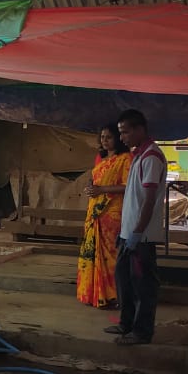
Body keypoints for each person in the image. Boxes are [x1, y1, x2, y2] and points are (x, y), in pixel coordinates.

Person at [105, 110, 166, 345]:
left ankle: (142, 332)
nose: (122, 137)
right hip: (128, 232)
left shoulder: (151, 157)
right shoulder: (138, 155)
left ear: (140, 129)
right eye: (120, 133)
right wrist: (125, 231)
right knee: (124, 281)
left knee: (143, 285)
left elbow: (148, 200)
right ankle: (126, 323)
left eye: (125, 132)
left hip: (142, 236)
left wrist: (137, 232)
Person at [76, 125, 132, 308]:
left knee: (111, 254)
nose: (105, 141)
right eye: (102, 137)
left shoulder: (125, 158)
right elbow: (96, 180)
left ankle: (112, 296)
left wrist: (102, 190)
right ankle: (94, 294)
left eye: (109, 137)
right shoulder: (100, 158)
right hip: (95, 210)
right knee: (93, 252)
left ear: (117, 138)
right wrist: (91, 187)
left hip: (113, 212)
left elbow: (127, 186)